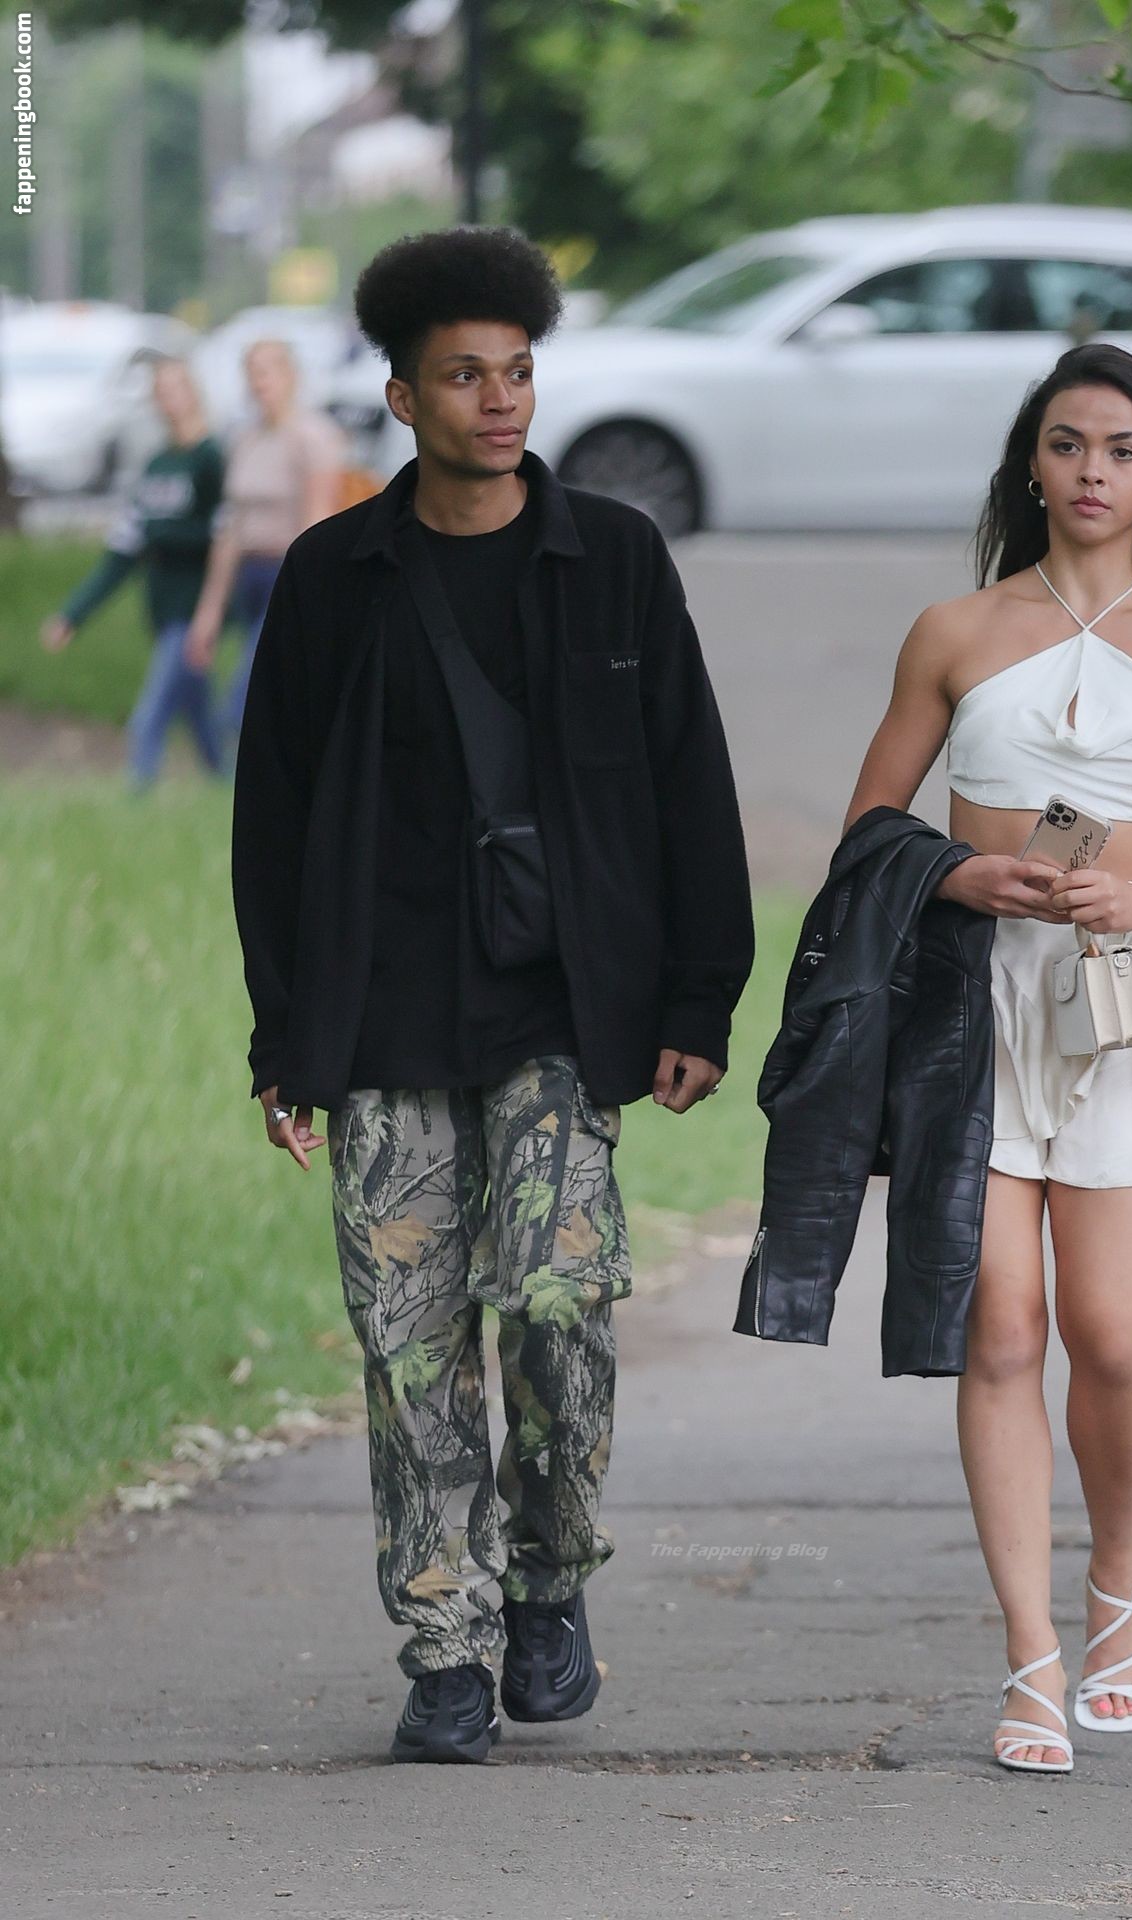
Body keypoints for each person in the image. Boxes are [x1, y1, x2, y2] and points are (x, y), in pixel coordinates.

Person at [230, 225, 753, 1764]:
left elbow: (690, 782)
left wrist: (699, 1000)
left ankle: (548, 1573)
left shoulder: (617, 561)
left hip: (559, 1014)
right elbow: (272, 818)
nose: (500, 400)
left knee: (558, 1307)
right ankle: (444, 1649)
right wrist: (284, 1037)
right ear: (402, 397)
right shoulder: (334, 578)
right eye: (464, 376)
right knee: (409, 1351)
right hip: (383, 1020)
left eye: (518, 372)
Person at [839, 343, 1132, 1773]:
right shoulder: (955, 630)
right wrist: (958, 876)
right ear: (1029, 464)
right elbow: (871, 826)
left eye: (1122, 450)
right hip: (968, 1010)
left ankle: (1117, 1585)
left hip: (1114, 1012)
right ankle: (1030, 1657)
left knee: (1113, 1338)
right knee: (1001, 1332)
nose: (1092, 472)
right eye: (1067, 444)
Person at [40, 357, 226, 787]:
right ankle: (228, 786)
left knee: (151, 713)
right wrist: (72, 615)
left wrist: (167, 536)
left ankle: (137, 790)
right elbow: (123, 552)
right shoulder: (156, 465)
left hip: (195, 608)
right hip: (162, 607)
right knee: (198, 711)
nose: (169, 399)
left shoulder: (212, 458)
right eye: (161, 391)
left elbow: (224, 536)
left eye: (176, 388)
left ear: (194, 392)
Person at [184, 337, 347, 743]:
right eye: (252, 373)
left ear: (290, 376)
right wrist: (209, 611)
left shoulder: (314, 436)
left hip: (286, 574)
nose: (259, 382)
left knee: (248, 697)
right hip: (249, 575)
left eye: (267, 371)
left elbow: (318, 521)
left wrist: (307, 591)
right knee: (276, 695)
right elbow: (230, 528)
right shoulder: (245, 440)